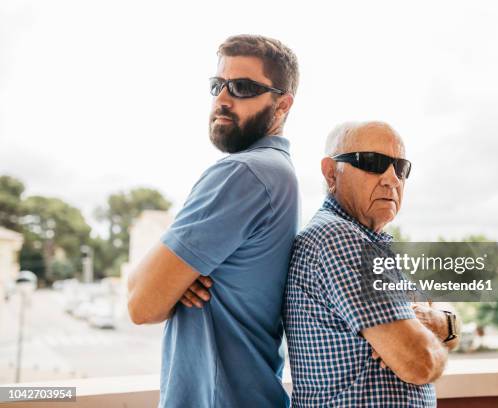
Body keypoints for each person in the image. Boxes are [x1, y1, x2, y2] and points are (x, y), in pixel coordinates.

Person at [127, 34, 300, 408]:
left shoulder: (243, 173)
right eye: (217, 85)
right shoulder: (277, 172)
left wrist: (170, 282)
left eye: (241, 87)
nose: (222, 98)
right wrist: (174, 281)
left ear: (282, 105)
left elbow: (140, 304)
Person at [282, 121, 461, 407]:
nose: (392, 178)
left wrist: (441, 323)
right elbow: (420, 362)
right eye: (373, 162)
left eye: (401, 167)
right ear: (331, 173)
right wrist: (430, 336)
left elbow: (439, 314)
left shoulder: (371, 244)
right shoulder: (340, 238)